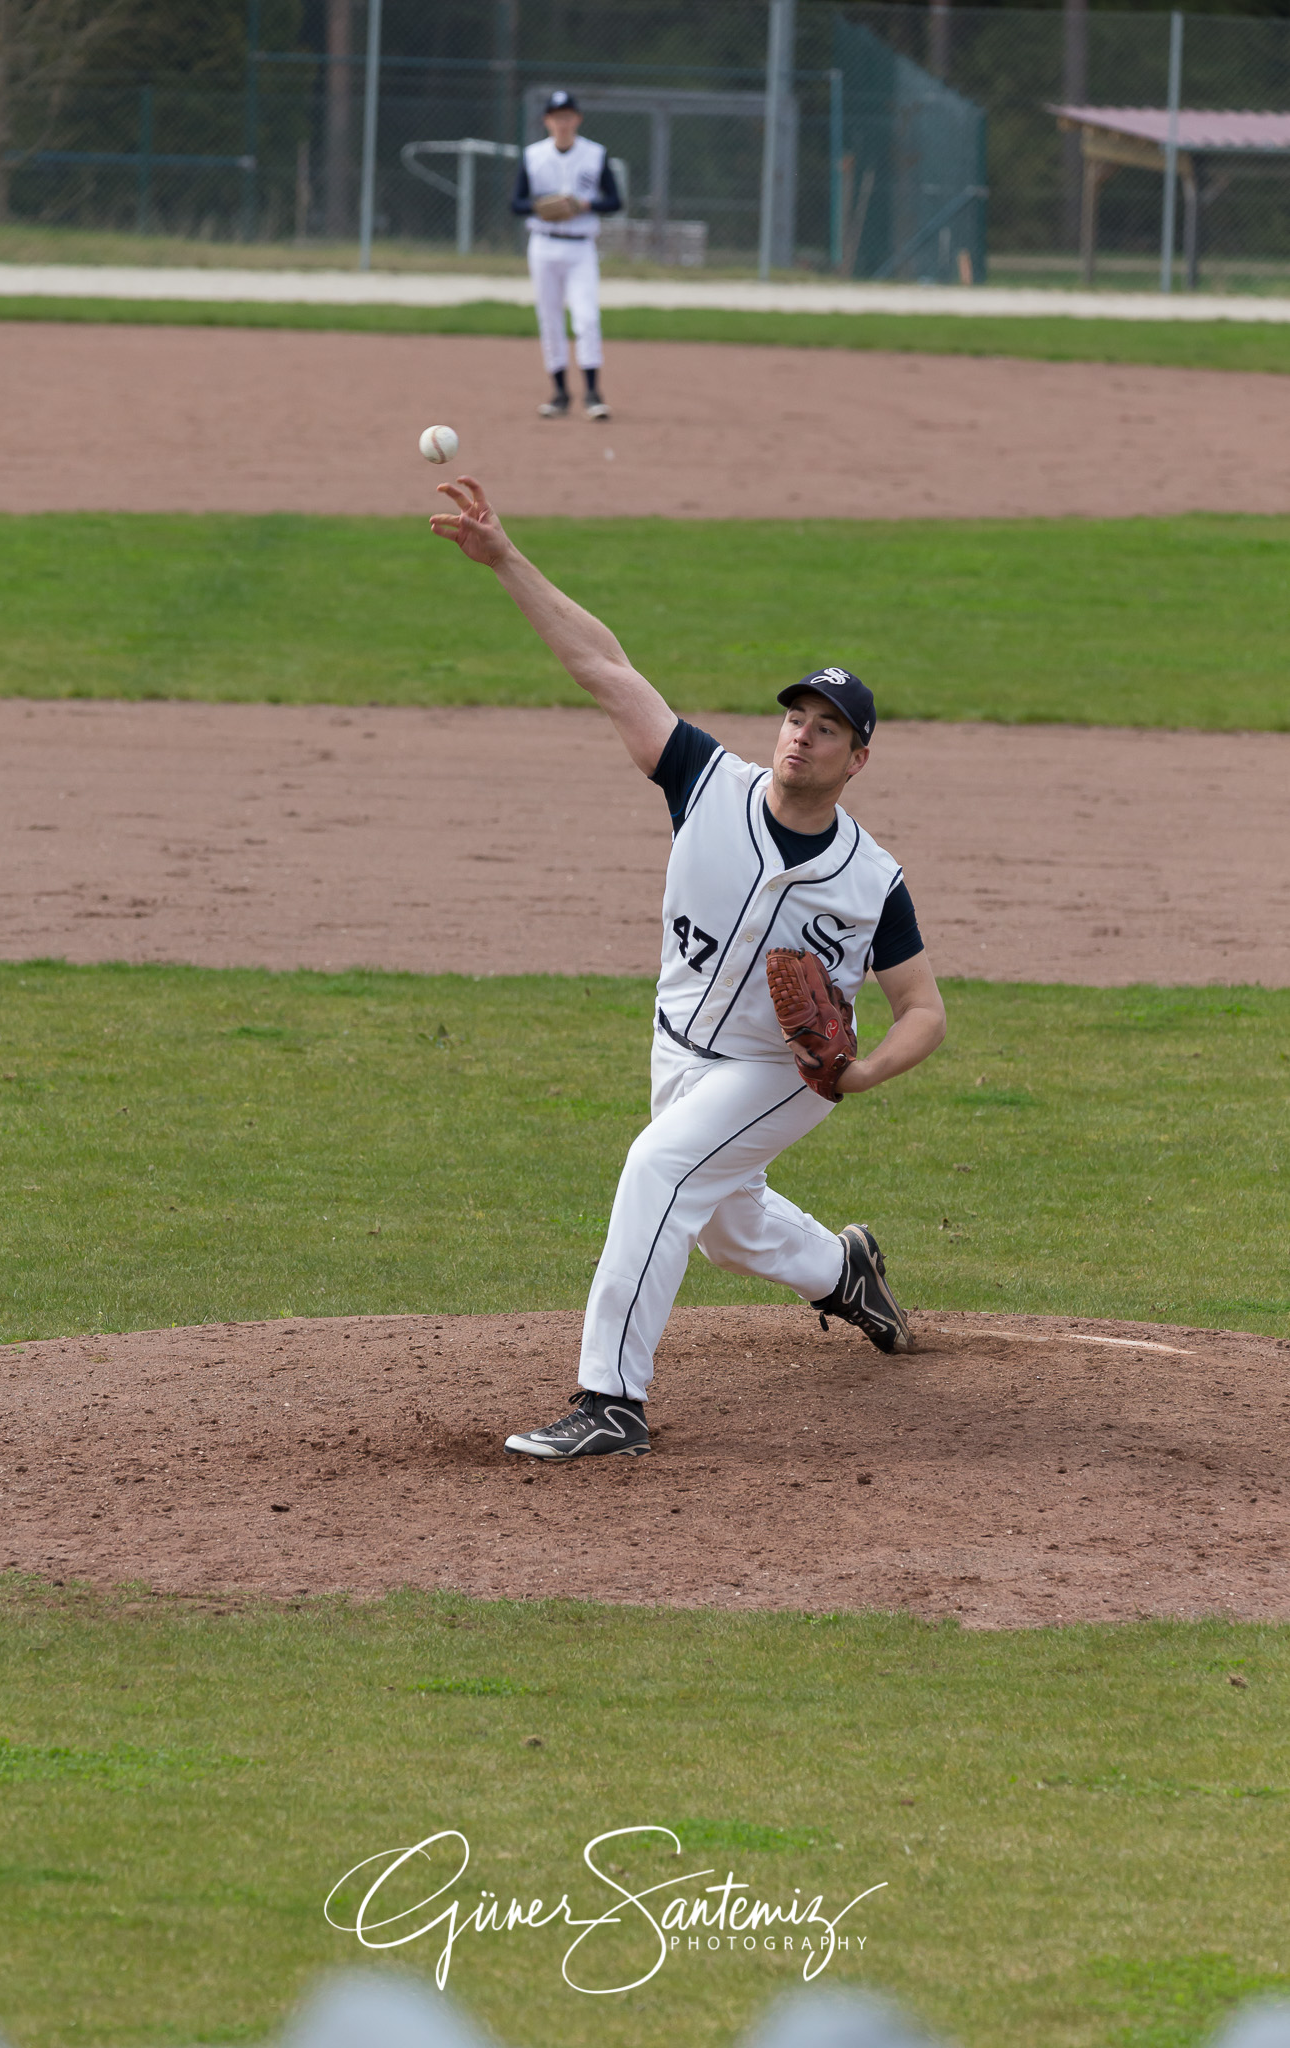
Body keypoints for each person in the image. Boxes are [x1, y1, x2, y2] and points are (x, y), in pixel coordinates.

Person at [430, 476, 948, 1461]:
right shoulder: (706, 782)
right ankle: (846, 1269)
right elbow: (605, 667)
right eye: (797, 715)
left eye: (827, 726)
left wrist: (866, 1068)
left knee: (659, 1166)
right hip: (677, 1050)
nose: (802, 733)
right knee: (724, 1224)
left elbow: (923, 1006)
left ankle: (609, 1400)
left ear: (857, 758)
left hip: (781, 1070)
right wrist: (505, 560)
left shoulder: (871, 879)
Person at [510, 89, 622, 421]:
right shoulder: (533, 156)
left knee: (586, 317)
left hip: (580, 246)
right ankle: (559, 393)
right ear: (547, 120)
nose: (563, 122)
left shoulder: (594, 154)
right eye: (557, 117)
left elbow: (615, 201)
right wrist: (539, 207)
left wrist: (585, 204)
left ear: (577, 119)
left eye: (568, 116)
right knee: (550, 319)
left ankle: (593, 393)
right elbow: (515, 203)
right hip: (544, 244)